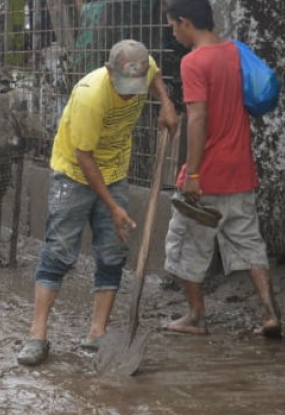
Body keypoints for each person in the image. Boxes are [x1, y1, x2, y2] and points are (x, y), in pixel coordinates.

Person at [16, 39, 178, 367]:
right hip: (74, 174)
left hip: (115, 171)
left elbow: (156, 75)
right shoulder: (90, 96)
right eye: (125, 86)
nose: (132, 94)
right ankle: (37, 335)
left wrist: (166, 103)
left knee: (114, 251)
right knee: (59, 250)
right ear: (110, 71)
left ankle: (97, 332)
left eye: (138, 86)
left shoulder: (141, 67)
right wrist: (114, 207)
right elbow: (85, 158)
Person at [161, 0, 281, 339]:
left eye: (173, 27)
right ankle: (270, 312)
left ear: (185, 22)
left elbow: (197, 119)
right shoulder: (234, 52)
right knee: (249, 244)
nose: (174, 34)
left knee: (185, 245)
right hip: (240, 170)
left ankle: (196, 315)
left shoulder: (194, 62)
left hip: (208, 175)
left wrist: (193, 173)